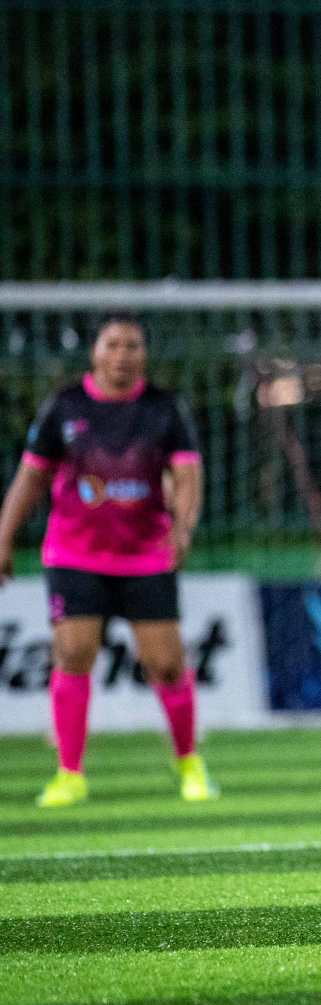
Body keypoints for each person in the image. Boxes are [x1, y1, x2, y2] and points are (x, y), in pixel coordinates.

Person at [0, 313, 217, 807]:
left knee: (166, 664)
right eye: (113, 344)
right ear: (95, 352)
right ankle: (69, 772)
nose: (122, 354)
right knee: (74, 655)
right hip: (74, 554)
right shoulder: (65, 407)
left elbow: (187, 475)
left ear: (144, 354)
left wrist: (182, 528)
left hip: (146, 555)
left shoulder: (165, 410)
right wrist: (3, 536)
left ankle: (188, 760)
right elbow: (30, 478)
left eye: (133, 346)